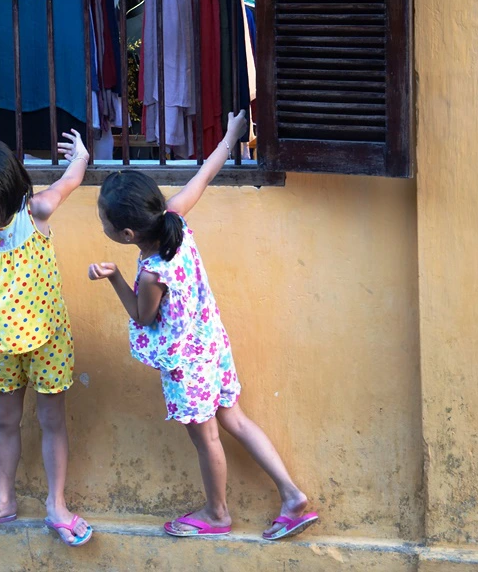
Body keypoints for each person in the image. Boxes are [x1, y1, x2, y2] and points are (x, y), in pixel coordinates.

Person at [88, 111, 317, 540]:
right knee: (237, 420)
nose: (102, 226)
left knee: (207, 438)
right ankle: (291, 495)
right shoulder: (175, 218)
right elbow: (205, 175)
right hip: (211, 346)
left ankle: (217, 515)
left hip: (186, 366)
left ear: (127, 233)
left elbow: (142, 316)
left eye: (104, 223)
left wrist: (115, 277)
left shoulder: (154, 271)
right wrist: (230, 134)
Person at [0, 127, 92, 546]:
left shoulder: (37, 213)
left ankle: (57, 505)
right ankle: (1, 500)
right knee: (4, 421)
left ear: (1, 190)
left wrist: (80, 155)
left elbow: (71, 180)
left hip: (46, 340)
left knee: (51, 421)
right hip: (0, 341)